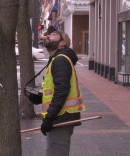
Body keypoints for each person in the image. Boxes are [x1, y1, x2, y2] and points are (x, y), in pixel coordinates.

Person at [40, 27, 85, 156]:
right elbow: (57, 88)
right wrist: (40, 97)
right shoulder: (58, 59)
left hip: (60, 118)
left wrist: (49, 117)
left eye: (53, 34)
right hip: (60, 117)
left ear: (62, 43)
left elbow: (62, 90)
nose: (48, 36)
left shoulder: (60, 60)